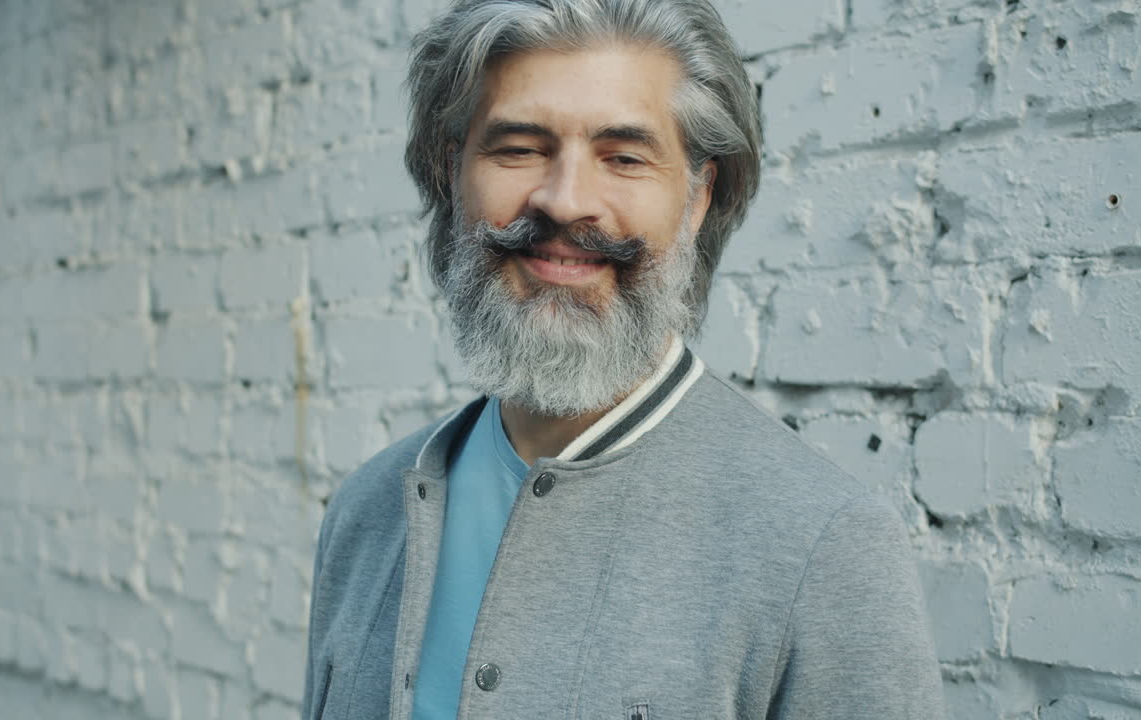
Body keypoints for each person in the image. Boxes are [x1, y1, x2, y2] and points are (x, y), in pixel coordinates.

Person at [301, 1, 946, 718]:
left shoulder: (826, 549)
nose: (566, 200)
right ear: (454, 175)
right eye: (518, 148)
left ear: (698, 197)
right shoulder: (365, 514)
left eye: (625, 158)